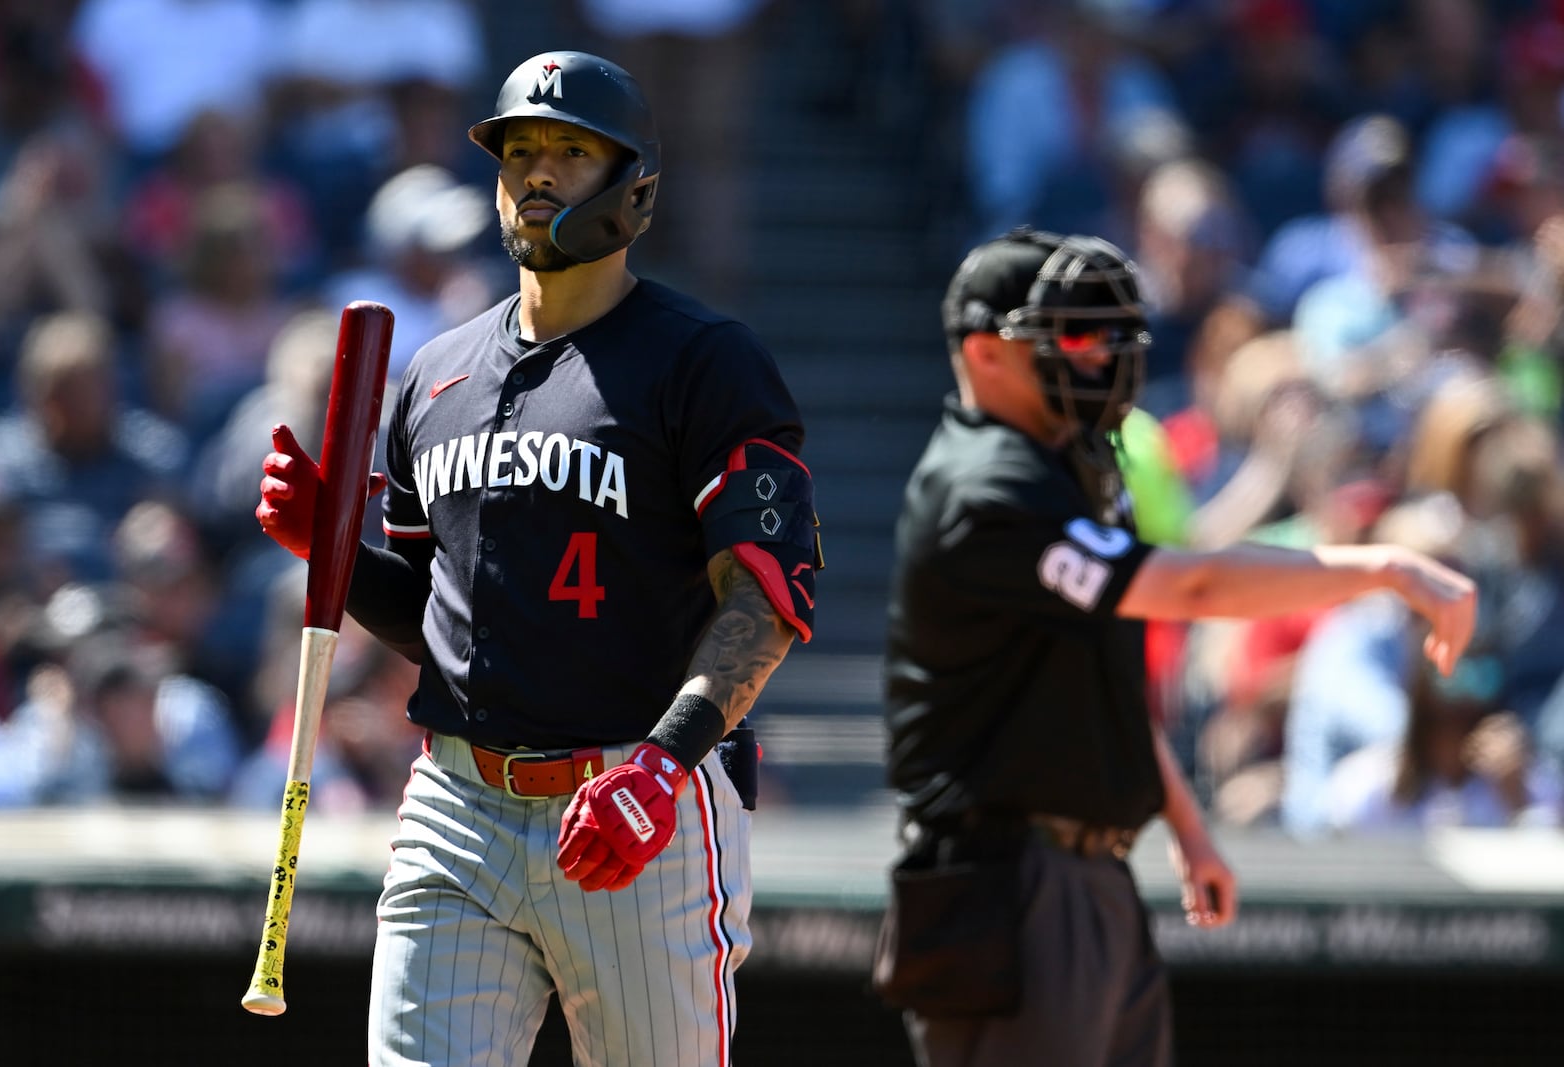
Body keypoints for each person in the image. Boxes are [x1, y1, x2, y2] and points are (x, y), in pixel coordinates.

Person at [255, 50, 821, 1066]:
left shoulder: (704, 358)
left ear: (631, 184)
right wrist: (327, 551)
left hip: (638, 802)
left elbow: (766, 600)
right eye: (519, 150)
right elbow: (437, 616)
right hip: (457, 804)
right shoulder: (435, 374)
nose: (537, 173)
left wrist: (662, 761)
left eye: (569, 149)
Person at [873, 228, 1478, 1066]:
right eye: (1076, 337)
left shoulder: (1071, 470)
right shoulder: (984, 485)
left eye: (1112, 334)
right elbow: (1191, 587)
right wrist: (1380, 567)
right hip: (1007, 883)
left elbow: (1099, 678)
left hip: (1091, 872)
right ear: (987, 354)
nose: (1103, 357)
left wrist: (1187, 828)